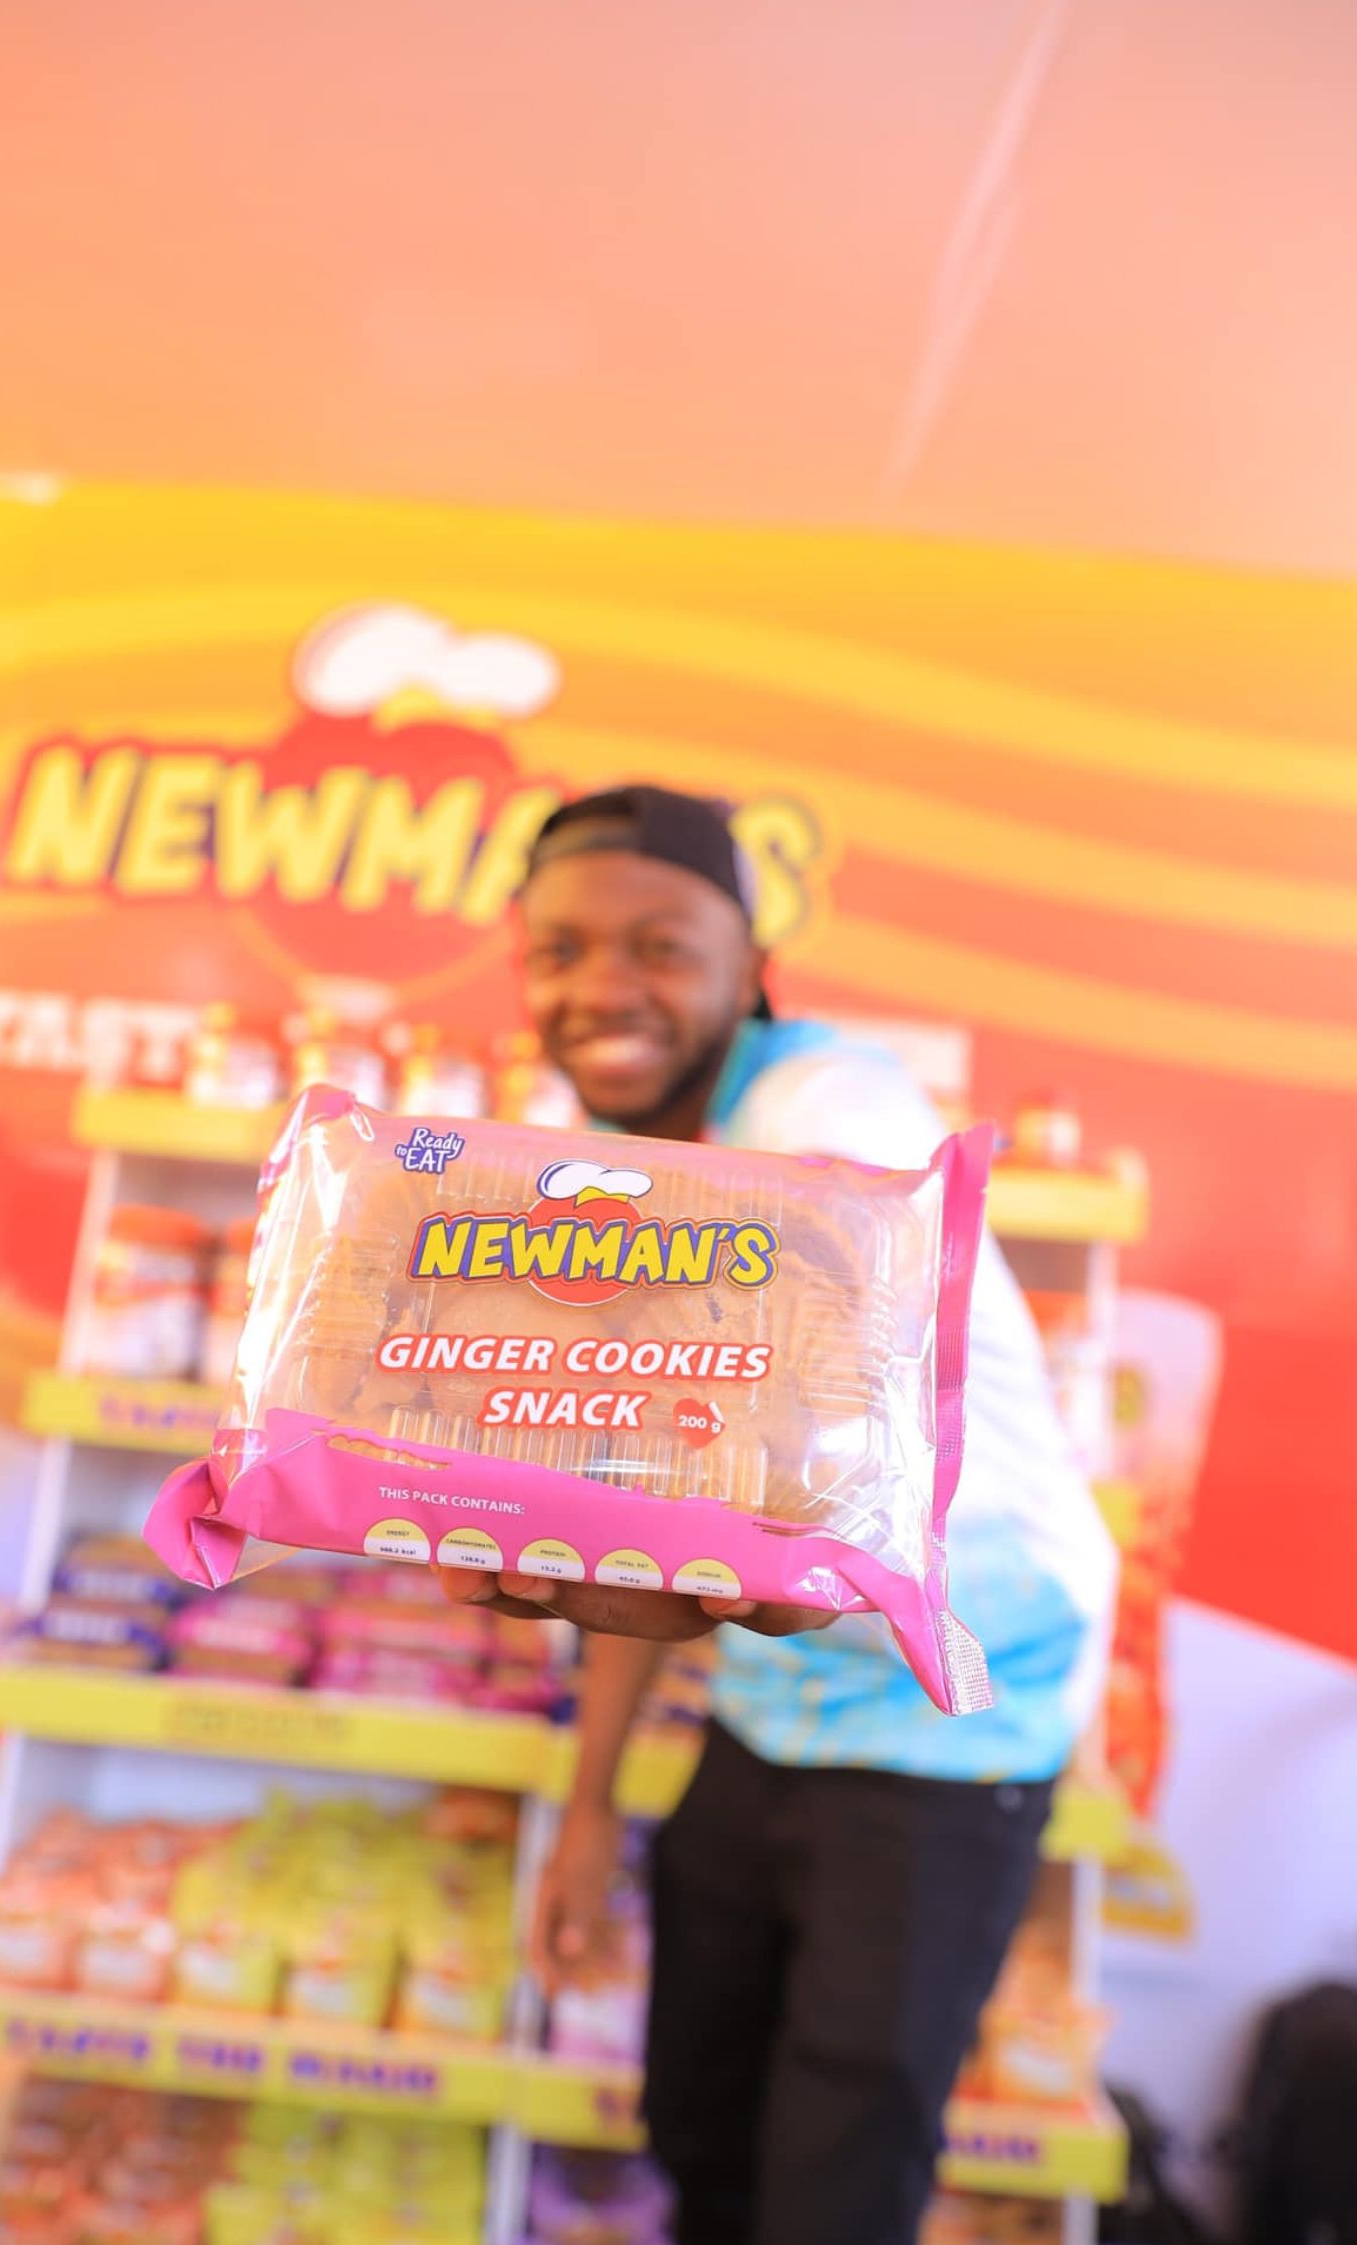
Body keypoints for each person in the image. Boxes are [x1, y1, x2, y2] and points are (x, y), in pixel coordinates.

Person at [438, 784, 1117, 2245]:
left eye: (659, 946)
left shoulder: (824, 1105)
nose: (602, 986)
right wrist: (587, 1811)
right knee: (691, 2105)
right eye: (559, 950)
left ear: (751, 970)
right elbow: (626, 1496)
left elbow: (823, 1364)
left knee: (842, 2159)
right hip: (772, 1702)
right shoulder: (624, 1155)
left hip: (957, 1708)